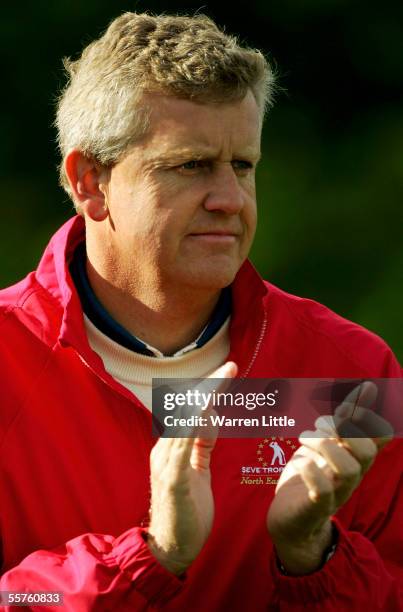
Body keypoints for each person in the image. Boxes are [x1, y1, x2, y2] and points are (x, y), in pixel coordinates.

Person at [0, 12, 401, 611]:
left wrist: (311, 552)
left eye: (243, 165)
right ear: (90, 182)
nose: (230, 199)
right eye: (190, 166)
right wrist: (153, 556)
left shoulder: (357, 371)